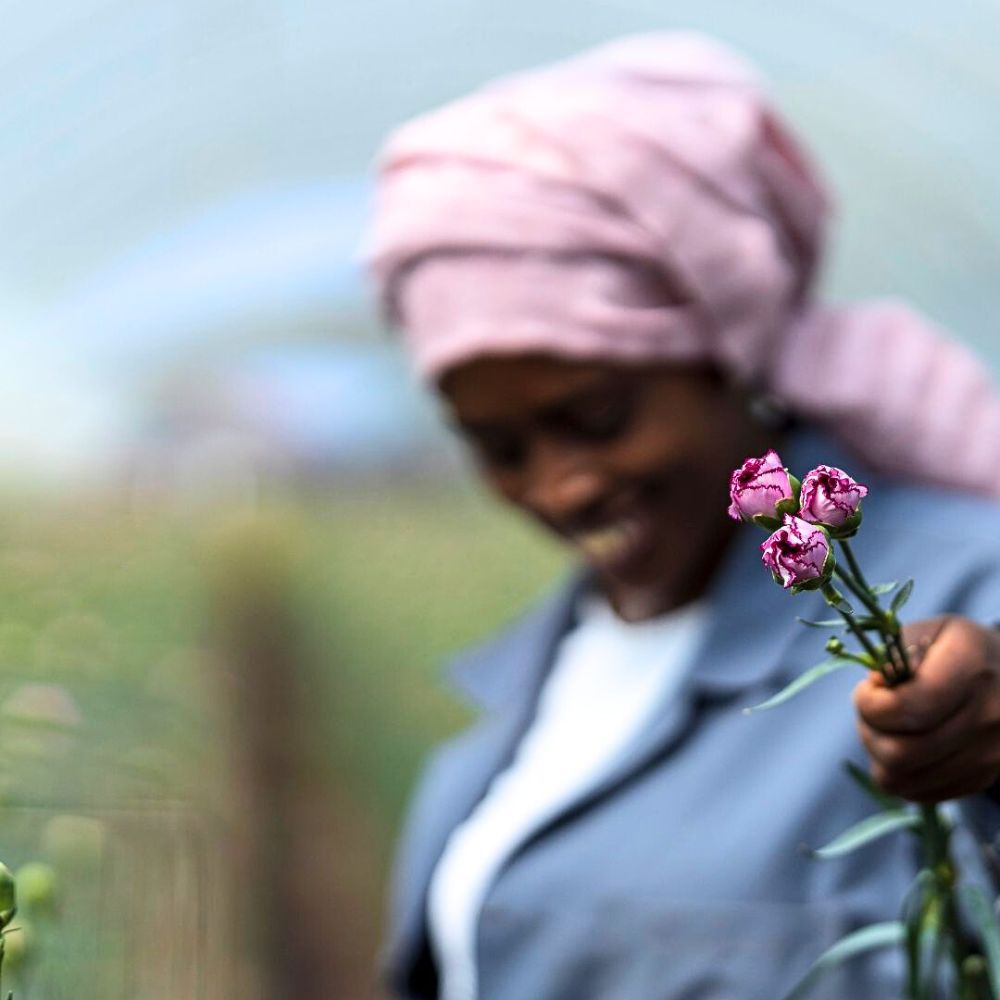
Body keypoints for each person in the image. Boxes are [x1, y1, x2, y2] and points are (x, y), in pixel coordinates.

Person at [365, 32, 1000, 1000]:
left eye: (595, 417)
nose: (560, 487)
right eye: (498, 447)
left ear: (726, 355)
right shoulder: (555, 666)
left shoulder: (967, 593)